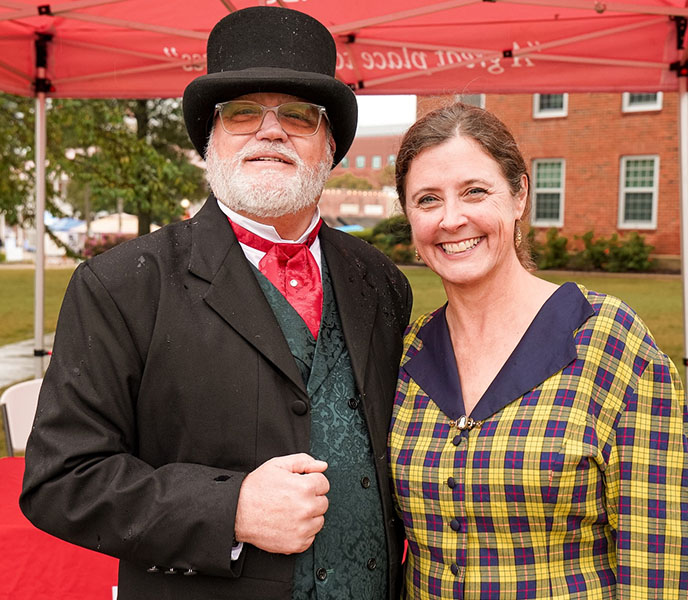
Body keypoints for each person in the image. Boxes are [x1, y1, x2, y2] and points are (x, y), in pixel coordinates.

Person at [20, 7, 412, 600]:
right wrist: (229, 509)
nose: (271, 131)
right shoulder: (120, 285)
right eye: (242, 114)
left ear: (330, 148)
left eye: (300, 116)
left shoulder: (381, 281)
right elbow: (61, 479)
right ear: (210, 143)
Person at [388, 103, 688, 598]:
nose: (451, 219)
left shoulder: (610, 342)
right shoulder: (405, 355)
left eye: (475, 191)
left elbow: (658, 566)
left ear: (519, 196)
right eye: (427, 199)